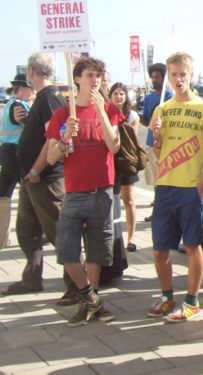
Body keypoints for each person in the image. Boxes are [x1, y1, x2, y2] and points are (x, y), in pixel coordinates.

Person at [46, 57, 123, 326]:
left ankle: (91, 302)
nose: (95, 80)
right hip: (75, 192)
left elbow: (114, 146)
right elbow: (51, 157)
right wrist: (66, 137)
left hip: (101, 191)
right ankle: (90, 298)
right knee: (66, 249)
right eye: (89, 75)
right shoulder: (62, 115)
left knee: (97, 252)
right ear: (77, 78)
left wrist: (101, 111)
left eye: (99, 76)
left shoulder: (111, 110)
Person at [147, 52, 203, 322]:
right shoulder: (162, 109)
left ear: (191, 75)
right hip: (165, 186)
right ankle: (167, 296)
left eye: (182, 74)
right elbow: (157, 153)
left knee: (191, 245)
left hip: (190, 188)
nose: (178, 80)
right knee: (158, 249)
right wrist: (157, 139)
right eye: (173, 75)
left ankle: (192, 300)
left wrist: (200, 186)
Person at [2, 53, 78, 305]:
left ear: (33, 71)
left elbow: (53, 139)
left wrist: (36, 170)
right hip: (31, 179)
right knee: (27, 230)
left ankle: (77, 284)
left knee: (59, 232)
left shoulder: (49, 99)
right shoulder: (43, 99)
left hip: (45, 179)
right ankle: (32, 276)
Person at [0, 73, 33, 249]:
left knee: (3, 194)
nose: (32, 91)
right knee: (30, 191)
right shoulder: (19, 105)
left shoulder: (8, 105)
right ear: (22, 89)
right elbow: (29, 124)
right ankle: (33, 231)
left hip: (5, 152)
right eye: (30, 88)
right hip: (15, 153)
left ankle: (2, 238)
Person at [109, 82, 140, 251]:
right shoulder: (105, 112)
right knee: (111, 201)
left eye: (121, 93)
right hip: (110, 161)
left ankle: (131, 237)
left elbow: (132, 137)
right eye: (115, 93)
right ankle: (113, 236)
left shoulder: (132, 115)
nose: (118, 96)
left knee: (129, 199)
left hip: (126, 161)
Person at [141, 63, 173, 221]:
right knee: (155, 180)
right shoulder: (148, 98)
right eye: (152, 77)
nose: (154, 80)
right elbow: (147, 120)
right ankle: (158, 210)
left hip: (166, 144)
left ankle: (164, 211)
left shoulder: (170, 98)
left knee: (165, 179)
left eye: (157, 77)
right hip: (151, 142)